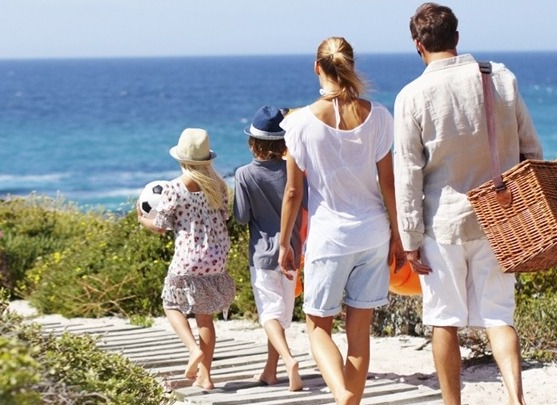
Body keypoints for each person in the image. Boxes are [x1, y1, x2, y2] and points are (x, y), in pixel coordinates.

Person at [391, 3, 544, 404]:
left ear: (417, 45)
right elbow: (531, 149)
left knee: (444, 320)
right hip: (500, 220)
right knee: (499, 315)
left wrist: (409, 238)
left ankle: (452, 403)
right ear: (457, 38)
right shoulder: (501, 79)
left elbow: (408, 174)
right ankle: (515, 399)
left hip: (443, 225)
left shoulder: (412, 96)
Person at [275, 37, 402, 404]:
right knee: (359, 335)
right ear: (350, 64)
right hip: (373, 234)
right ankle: (350, 398)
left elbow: (293, 194)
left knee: (318, 328)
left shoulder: (298, 124)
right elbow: (389, 183)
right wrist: (397, 234)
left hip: (330, 239)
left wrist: (285, 243)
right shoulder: (378, 115)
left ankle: (341, 392)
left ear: (317, 67)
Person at [139, 128, 237, 391]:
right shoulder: (219, 186)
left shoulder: (173, 188)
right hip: (216, 259)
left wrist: (141, 218)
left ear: (182, 159)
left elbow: (161, 226)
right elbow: (222, 218)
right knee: (205, 318)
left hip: (188, 258)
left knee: (171, 304)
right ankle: (205, 377)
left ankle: (193, 350)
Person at [232, 106, 304, 391]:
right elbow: (303, 204)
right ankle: (270, 371)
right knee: (282, 314)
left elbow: (240, 216)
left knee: (269, 314)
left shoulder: (244, 175)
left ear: (253, 143)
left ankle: (287, 360)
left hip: (262, 254)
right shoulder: (295, 170)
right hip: (293, 251)